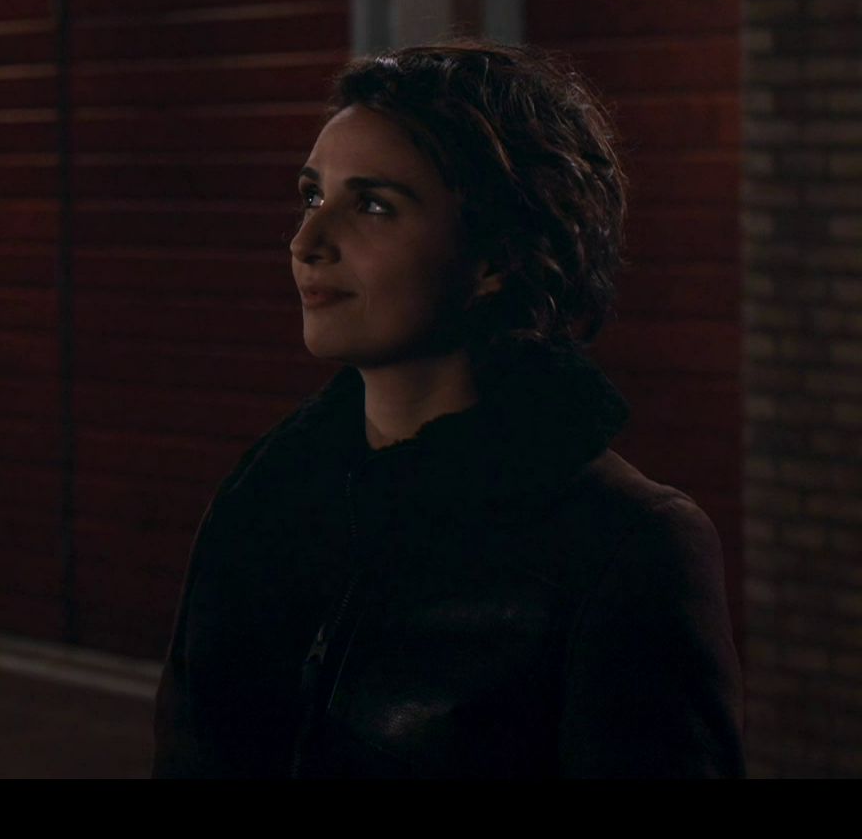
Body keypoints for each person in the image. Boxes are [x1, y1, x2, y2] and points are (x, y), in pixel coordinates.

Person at [152, 40, 744, 778]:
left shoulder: (624, 546)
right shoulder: (268, 493)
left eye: (373, 206)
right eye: (312, 196)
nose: (307, 243)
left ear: (495, 256)